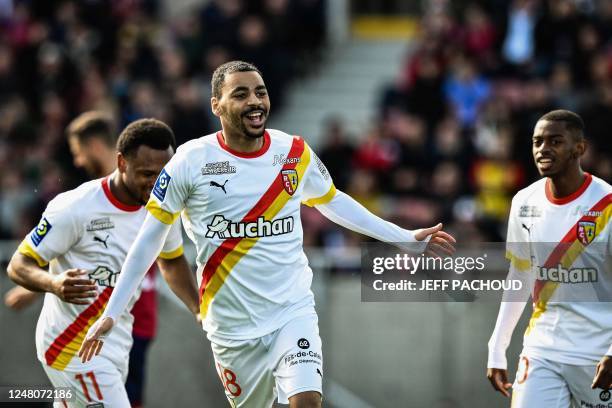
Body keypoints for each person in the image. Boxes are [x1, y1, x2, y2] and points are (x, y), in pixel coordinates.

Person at [79, 61, 455, 408]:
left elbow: (333, 201)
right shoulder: (190, 163)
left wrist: (402, 236)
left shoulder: (292, 152)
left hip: (290, 310)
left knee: (306, 400)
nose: (255, 101)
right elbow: (150, 240)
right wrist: (113, 310)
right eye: (240, 94)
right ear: (216, 105)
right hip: (231, 326)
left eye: (260, 92)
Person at [7, 118, 199, 407]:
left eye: (163, 175)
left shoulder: (163, 205)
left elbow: (170, 263)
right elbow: (18, 264)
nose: (156, 183)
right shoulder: (75, 207)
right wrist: (53, 283)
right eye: (147, 173)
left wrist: (200, 310)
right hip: (73, 347)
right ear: (121, 163)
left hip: (117, 342)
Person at [486, 110, 612, 406]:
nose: (543, 149)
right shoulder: (523, 202)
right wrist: (497, 346)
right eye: (537, 142)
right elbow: (520, 276)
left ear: (579, 148)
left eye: (555, 141)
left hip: (599, 352)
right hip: (543, 349)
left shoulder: (607, 205)